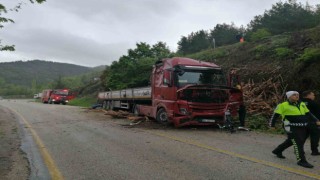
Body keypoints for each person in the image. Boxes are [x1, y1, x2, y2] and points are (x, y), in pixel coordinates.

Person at [269, 91, 318, 168]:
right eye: (294, 95)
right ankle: (301, 160)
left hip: (302, 126)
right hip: (290, 126)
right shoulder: (282, 105)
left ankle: (277, 150)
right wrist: (272, 125)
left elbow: (308, 113)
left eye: (297, 94)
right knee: (298, 142)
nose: (297, 96)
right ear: (289, 96)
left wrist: (316, 120)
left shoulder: (301, 104)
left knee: (291, 141)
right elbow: (275, 116)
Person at [301, 90, 320, 155]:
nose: (314, 96)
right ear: (308, 95)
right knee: (315, 137)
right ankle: (314, 151)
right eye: (313, 95)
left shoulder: (299, 102)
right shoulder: (314, 103)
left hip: (301, 123)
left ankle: (299, 149)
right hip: (313, 123)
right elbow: (318, 113)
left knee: (302, 137)